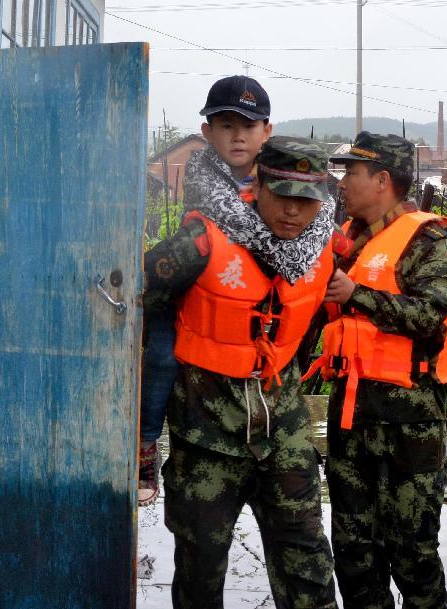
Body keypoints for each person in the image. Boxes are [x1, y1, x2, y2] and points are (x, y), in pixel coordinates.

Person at [144, 136, 338, 609]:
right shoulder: (201, 240)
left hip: (284, 432)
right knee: (200, 567)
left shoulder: (326, 248)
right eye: (283, 195)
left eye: (306, 201)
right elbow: (137, 296)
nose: (294, 212)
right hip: (207, 437)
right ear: (259, 185)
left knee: (308, 561)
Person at [139, 74, 334, 506]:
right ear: (207, 133)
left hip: (264, 307)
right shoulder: (203, 180)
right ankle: (146, 442)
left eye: (248, 126)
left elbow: (321, 226)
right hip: (199, 287)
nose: (238, 136)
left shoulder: (303, 192)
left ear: (267, 131)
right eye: (226, 126)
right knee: (161, 354)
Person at [304, 131, 447, 609]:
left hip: (409, 423)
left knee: (412, 553)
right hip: (352, 417)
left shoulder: (425, 238)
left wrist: (359, 296)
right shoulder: (344, 241)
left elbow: (431, 316)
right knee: (354, 552)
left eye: (351, 172)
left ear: (383, 180)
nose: (342, 181)